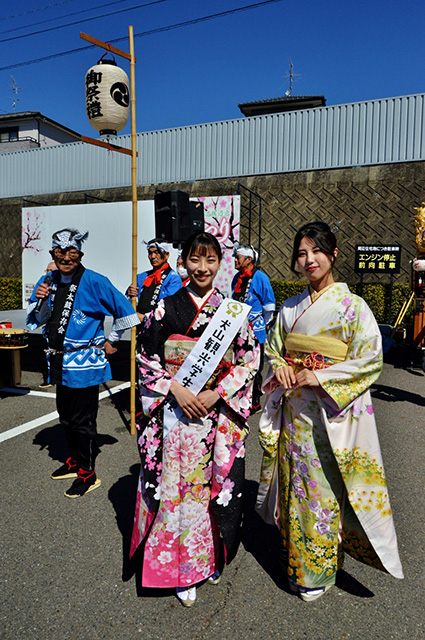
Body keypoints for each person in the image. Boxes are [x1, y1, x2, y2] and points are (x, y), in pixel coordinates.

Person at [255, 221, 403, 602]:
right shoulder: (289, 308)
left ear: (333, 254)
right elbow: (272, 351)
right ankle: (299, 564)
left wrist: (320, 377)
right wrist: (281, 366)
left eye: (316, 251)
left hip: (331, 416)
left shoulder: (353, 307)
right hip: (294, 416)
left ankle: (317, 571)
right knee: (296, 491)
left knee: (322, 494)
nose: (308, 260)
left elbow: (371, 358)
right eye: (301, 253)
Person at [130, 231, 260, 607]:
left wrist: (215, 392)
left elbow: (249, 360)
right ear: (183, 261)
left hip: (217, 416)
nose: (202, 268)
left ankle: (212, 557)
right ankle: (182, 569)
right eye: (194, 259)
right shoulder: (165, 307)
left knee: (215, 491)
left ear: (220, 264)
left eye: (210, 260)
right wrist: (177, 389)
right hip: (175, 414)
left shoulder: (232, 311)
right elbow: (146, 358)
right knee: (179, 492)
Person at [27, 228, 140, 498]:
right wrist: (42, 298)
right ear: (53, 253)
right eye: (61, 252)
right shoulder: (49, 279)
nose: (66, 257)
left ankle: (88, 473)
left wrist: (113, 339)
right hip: (58, 361)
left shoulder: (94, 281)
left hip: (84, 363)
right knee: (65, 417)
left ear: (80, 254)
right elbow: (38, 319)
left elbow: (126, 312)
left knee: (83, 421)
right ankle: (75, 460)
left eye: (72, 253)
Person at [232, 243, 275, 412]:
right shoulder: (237, 277)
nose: (235, 260)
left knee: (255, 366)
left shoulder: (260, 277)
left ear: (248, 260)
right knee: (239, 363)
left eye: (238, 257)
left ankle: (255, 399)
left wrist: (262, 323)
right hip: (239, 329)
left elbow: (269, 304)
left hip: (255, 329)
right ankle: (240, 395)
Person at [127, 239, 182, 322]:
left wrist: (145, 318)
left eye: (157, 252)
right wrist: (130, 297)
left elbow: (168, 308)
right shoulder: (141, 277)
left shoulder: (174, 279)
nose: (152, 256)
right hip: (138, 328)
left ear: (166, 255)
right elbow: (127, 304)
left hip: (161, 328)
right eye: (150, 253)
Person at [39, 260, 57, 389]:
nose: (49, 273)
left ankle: (55, 377)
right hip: (48, 325)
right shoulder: (44, 286)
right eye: (47, 270)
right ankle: (48, 378)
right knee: (47, 352)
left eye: (52, 271)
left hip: (60, 326)